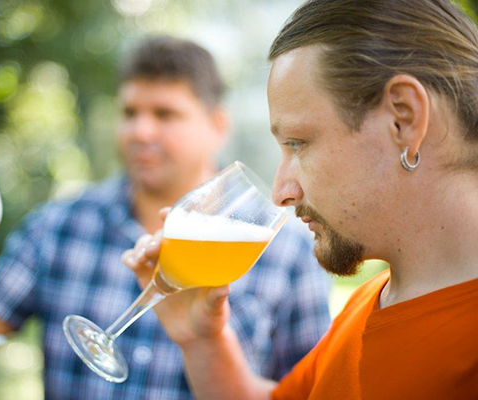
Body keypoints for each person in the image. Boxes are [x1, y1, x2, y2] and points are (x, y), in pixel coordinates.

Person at [0, 36, 331, 399]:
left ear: (217, 126)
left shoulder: (287, 254)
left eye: (165, 114)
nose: (140, 131)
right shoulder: (58, 226)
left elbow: (309, 392)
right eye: (130, 113)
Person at [124, 1, 478, 399]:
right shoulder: (373, 301)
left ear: (404, 117)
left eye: (298, 143)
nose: (282, 193)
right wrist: (202, 341)